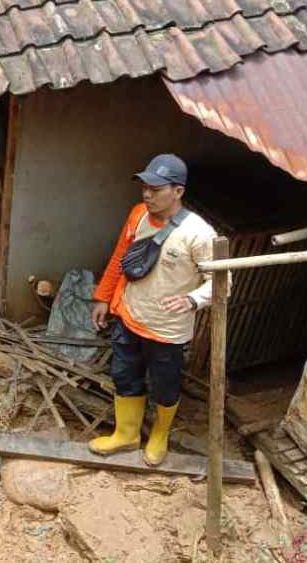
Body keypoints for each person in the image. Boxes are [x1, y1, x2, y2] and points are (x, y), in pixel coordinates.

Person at [89, 154, 224, 466]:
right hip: (128, 316)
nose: (147, 194)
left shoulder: (199, 234)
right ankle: (126, 435)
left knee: (164, 386)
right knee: (125, 376)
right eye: (145, 187)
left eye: (156, 188)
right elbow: (121, 258)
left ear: (178, 191)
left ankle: (159, 437)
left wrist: (192, 300)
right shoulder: (138, 214)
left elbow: (222, 284)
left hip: (167, 330)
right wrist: (103, 297)